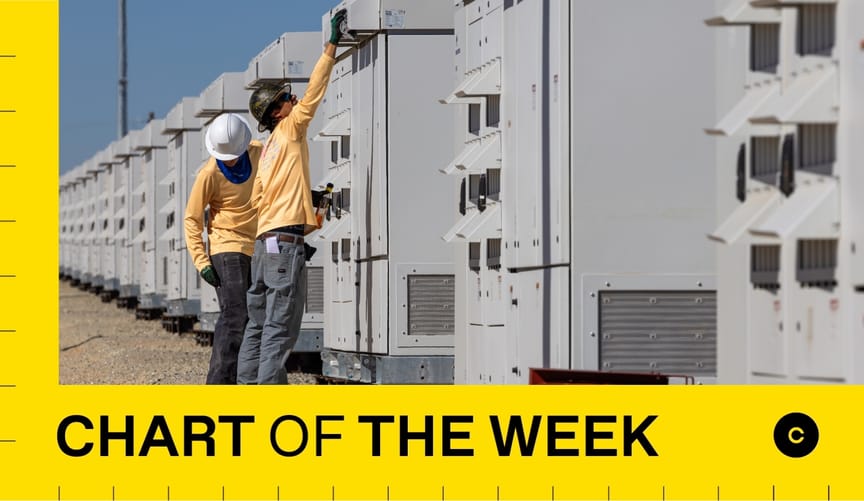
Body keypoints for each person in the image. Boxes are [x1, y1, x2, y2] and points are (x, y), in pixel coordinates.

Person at [237, 9, 346, 384]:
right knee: (281, 328)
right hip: (283, 246)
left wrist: (304, 201)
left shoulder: (269, 149)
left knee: (259, 324)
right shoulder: (290, 129)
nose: (293, 97)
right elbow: (315, 91)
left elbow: (261, 200)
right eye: (285, 97)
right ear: (276, 111)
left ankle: (247, 389)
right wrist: (331, 47)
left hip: (264, 246)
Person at [183, 113, 262, 384]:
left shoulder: (260, 153)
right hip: (226, 246)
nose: (229, 159)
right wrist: (202, 262)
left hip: (257, 244)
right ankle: (219, 384)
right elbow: (192, 218)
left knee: (255, 315)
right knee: (235, 313)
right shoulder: (209, 174)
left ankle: (246, 379)